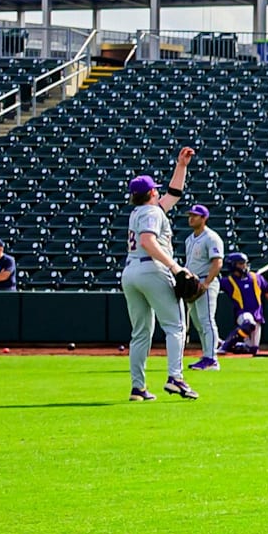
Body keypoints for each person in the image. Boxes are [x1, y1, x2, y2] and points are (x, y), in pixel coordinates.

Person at [118, 149, 200, 400]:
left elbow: (174, 194)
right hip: (152, 268)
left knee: (141, 332)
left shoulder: (140, 211)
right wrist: (175, 267)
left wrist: (181, 166)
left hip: (130, 272)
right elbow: (147, 241)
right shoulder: (153, 212)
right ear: (152, 192)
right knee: (176, 326)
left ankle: (138, 388)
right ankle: (176, 378)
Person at [180, 204, 225, 370]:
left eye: (195, 215)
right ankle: (206, 355)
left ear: (204, 218)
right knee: (198, 323)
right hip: (193, 284)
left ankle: (212, 359)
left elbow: (217, 262)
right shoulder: (189, 239)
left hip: (206, 281)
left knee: (206, 321)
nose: (191, 218)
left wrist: (206, 284)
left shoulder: (211, 237)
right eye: (190, 215)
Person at [224, 252, 268, 353]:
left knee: (253, 349)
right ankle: (225, 346)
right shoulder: (228, 281)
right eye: (240, 263)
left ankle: (235, 345)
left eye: (244, 263)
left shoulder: (256, 277)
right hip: (242, 313)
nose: (244, 266)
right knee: (249, 323)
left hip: (258, 316)